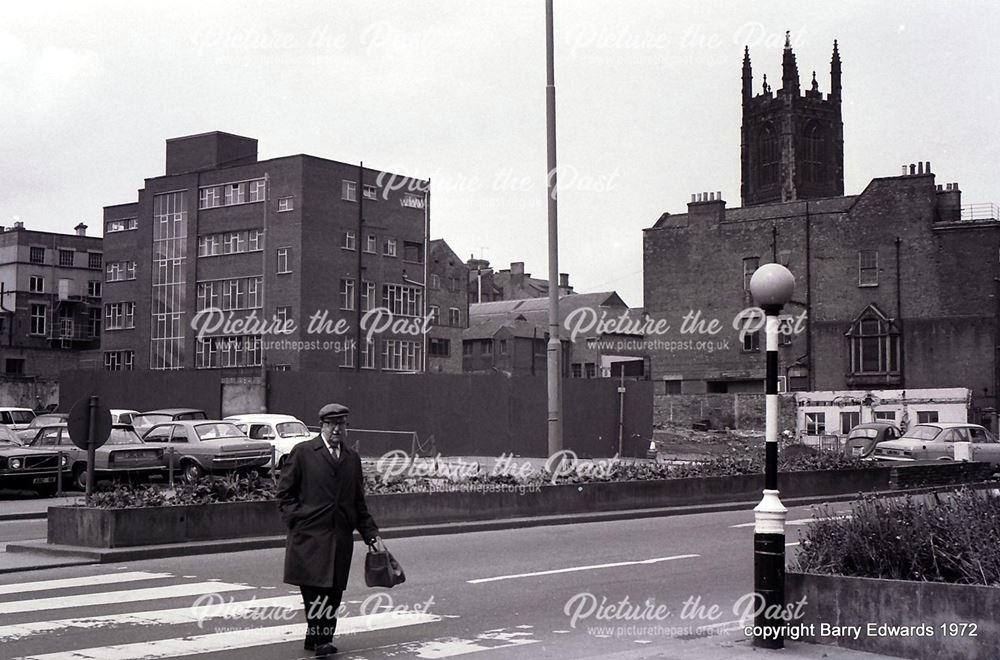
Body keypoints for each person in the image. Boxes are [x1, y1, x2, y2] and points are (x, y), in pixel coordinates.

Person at [278, 403, 380, 655]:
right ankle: (322, 639)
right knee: (313, 590)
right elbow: (284, 494)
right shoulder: (302, 453)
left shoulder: (351, 458)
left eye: (341, 424)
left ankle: (317, 636)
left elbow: (358, 502)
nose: (337, 429)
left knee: (333, 592)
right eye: (332, 424)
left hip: (340, 537)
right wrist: (298, 519)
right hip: (309, 537)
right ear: (322, 426)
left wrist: (371, 535)